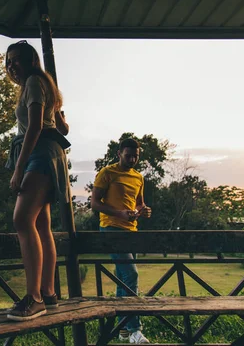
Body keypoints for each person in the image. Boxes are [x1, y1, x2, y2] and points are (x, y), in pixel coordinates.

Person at [4, 40, 72, 321]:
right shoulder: (44, 84)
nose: (11, 67)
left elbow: (34, 126)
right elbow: (63, 127)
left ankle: (34, 298)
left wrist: (19, 169)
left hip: (39, 152)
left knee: (22, 219)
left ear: (32, 61)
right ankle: (48, 292)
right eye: (8, 63)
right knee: (41, 224)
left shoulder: (33, 81)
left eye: (16, 60)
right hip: (47, 152)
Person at [91, 138, 152, 344]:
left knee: (122, 278)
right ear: (119, 154)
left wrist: (144, 211)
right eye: (128, 156)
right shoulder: (107, 173)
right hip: (110, 228)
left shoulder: (138, 177)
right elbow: (94, 203)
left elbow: (139, 204)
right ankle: (135, 330)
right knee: (131, 274)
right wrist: (119, 213)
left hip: (131, 231)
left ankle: (122, 330)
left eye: (136, 156)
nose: (132, 159)